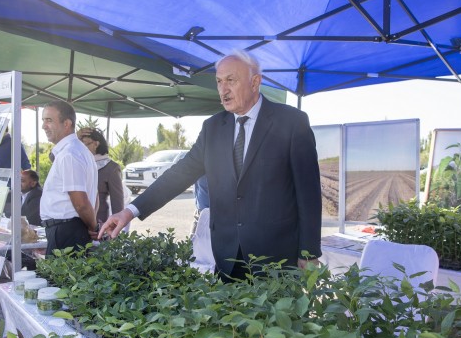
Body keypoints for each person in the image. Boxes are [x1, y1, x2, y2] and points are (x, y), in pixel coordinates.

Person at [99, 50, 322, 280]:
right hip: (228, 258)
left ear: (255, 82)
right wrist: (129, 211)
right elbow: (179, 174)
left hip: (277, 259)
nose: (223, 90)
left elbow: (309, 194)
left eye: (231, 81)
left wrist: (309, 252)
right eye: (218, 81)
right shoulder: (212, 128)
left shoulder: (292, 122)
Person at [40, 100, 98, 256]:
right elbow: (94, 196)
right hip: (69, 230)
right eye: (43, 120)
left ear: (67, 123)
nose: (43, 126)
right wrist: (92, 225)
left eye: (49, 120)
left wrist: (93, 227)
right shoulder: (78, 151)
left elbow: (81, 203)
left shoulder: (69, 154)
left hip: (66, 233)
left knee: (60, 280)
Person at [77, 128, 124, 224]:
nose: (81, 148)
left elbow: (117, 204)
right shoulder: (75, 162)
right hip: (73, 221)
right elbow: (54, 157)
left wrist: (115, 227)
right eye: (79, 144)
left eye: (85, 144)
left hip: (98, 222)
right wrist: (74, 138)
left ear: (96, 144)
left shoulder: (111, 168)